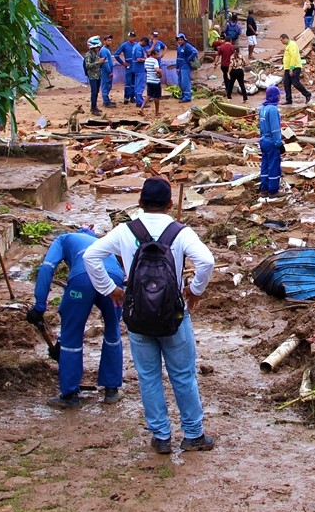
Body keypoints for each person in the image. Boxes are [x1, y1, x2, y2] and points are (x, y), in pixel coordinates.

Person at [83, 178, 216, 454]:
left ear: (140, 203)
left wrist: (111, 290)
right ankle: (193, 434)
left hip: (138, 316)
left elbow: (91, 256)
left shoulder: (125, 231)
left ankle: (161, 435)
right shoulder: (181, 232)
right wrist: (195, 290)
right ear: (169, 204)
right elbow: (207, 261)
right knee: (183, 375)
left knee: (149, 376)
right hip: (174, 315)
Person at [29, 227, 124, 409]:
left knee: (72, 334)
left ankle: (70, 395)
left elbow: (47, 267)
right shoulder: (100, 241)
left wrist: (39, 306)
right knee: (113, 330)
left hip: (82, 278)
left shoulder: (63, 239)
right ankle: (111, 390)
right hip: (114, 278)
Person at [257, 86, 283, 194]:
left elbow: (261, 127)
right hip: (271, 141)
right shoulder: (272, 109)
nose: (279, 97)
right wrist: (279, 143)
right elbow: (275, 129)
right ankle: (273, 190)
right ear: (274, 96)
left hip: (263, 140)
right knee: (273, 165)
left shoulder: (262, 108)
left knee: (265, 164)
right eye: (278, 94)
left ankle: (264, 187)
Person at [280, 32, 312, 105]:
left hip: (294, 67)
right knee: (286, 83)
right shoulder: (288, 45)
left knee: (295, 83)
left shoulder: (292, 45)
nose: (281, 42)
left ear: (285, 38)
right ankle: (288, 99)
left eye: (281, 40)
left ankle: (307, 94)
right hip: (287, 68)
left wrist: (291, 68)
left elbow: (293, 56)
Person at [83, 37, 105, 116]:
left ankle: (95, 107)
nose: (98, 49)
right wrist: (98, 62)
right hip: (92, 76)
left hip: (98, 75)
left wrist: (101, 62)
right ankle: (93, 108)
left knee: (96, 92)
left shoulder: (96, 54)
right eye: (97, 47)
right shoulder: (88, 55)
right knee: (94, 92)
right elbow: (88, 65)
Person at [175, 33, 200, 103]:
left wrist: (189, 59)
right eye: (178, 40)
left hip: (185, 66)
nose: (180, 41)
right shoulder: (179, 47)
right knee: (180, 82)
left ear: (184, 40)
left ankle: (187, 96)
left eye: (181, 40)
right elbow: (178, 57)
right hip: (180, 66)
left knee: (185, 82)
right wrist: (177, 67)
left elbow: (195, 51)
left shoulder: (187, 46)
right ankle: (183, 94)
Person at [98, 33, 117, 108]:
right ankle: (106, 102)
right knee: (105, 86)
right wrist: (109, 72)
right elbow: (105, 62)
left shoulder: (106, 50)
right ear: (104, 41)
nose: (110, 42)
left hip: (108, 70)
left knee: (108, 85)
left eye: (110, 41)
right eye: (108, 41)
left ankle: (107, 100)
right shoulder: (103, 50)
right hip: (106, 71)